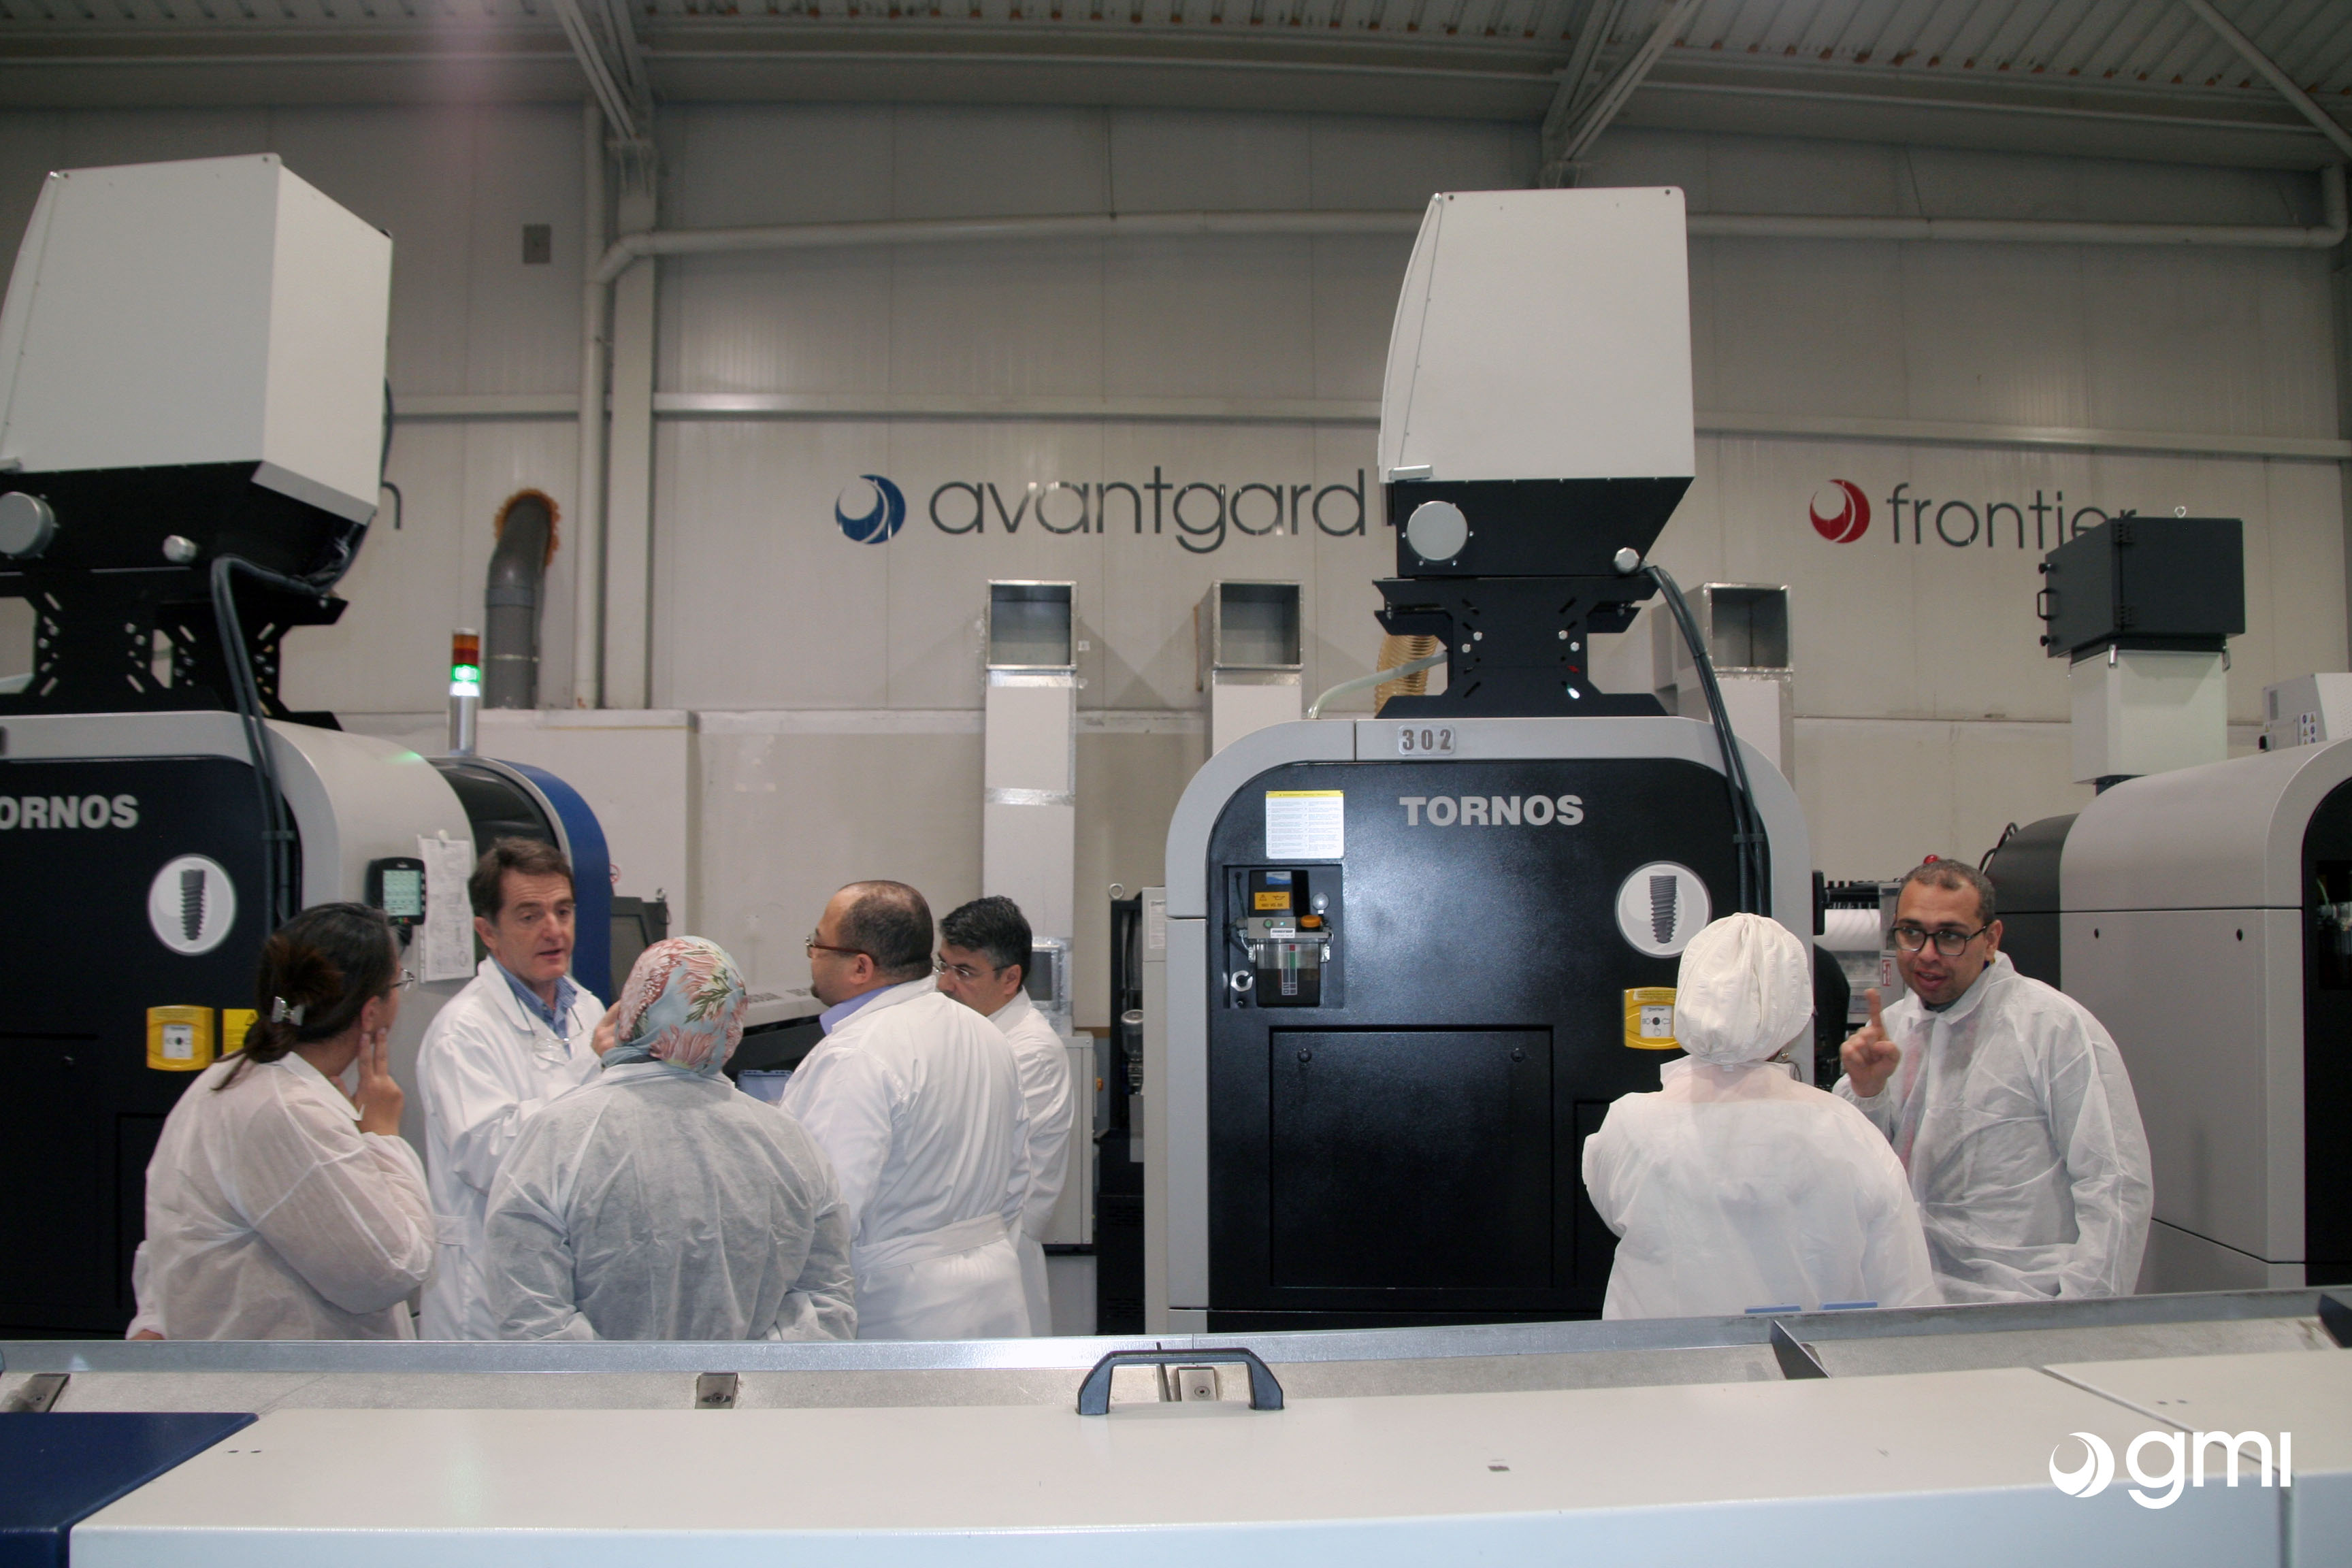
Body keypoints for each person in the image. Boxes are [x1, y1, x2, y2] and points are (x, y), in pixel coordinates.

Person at [480, 937, 856, 1341]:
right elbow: (828, 1306)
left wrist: (629, 1379)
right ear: (732, 1027)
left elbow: (533, 1321)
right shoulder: (791, 1144)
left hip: (603, 1384)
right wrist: (737, 1374)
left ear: (631, 1012)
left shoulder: (556, 1137)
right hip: (748, 1382)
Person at [1582, 913, 1938, 1320]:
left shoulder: (1628, 1126)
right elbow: (1903, 1289)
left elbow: (1621, 1218)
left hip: (1663, 1357)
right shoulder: (1849, 1131)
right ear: (1797, 1012)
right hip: (1806, 1358)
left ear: (1689, 998)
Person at [1838, 859, 2153, 1303]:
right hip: (1910, 1300)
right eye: (1911, 933)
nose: (1927, 954)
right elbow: (1860, 1182)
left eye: (1950, 936)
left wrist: (2083, 1317)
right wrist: (1868, 1092)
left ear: (1991, 939)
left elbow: (2115, 1184)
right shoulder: (1891, 1032)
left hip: (2023, 1306)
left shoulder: (2052, 1027)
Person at [128, 904, 434, 1339]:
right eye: (399, 982)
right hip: (283, 1378)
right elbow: (393, 1272)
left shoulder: (235, 1077)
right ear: (370, 1012)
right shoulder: (286, 1112)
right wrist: (383, 1136)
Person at [778, 881, 1032, 1339]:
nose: (812, 954)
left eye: (818, 944)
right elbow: (1017, 1182)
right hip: (993, 1296)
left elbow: (827, 1214)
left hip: (898, 1310)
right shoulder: (987, 1036)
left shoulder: (857, 1054)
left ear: (861, 967)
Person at [414, 838, 605, 1339]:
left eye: (563, 911)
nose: (553, 930)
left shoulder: (587, 1009)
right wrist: (597, 1077)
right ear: (488, 932)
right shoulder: (463, 1031)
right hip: (487, 1293)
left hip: (570, 1274)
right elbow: (490, 1157)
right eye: (529, 915)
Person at [936, 896, 1074, 1336]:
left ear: (1010, 978)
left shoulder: (1030, 1051)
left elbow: (991, 1173)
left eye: (964, 972)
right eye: (943, 966)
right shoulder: (968, 1030)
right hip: (960, 1254)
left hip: (999, 1252)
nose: (945, 984)